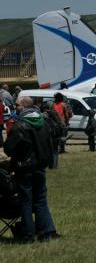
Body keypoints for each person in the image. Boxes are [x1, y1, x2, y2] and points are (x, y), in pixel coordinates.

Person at [4, 96, 59, 243]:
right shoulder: (43, 122)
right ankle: (47, 232)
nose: (15, 107)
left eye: (17, 105)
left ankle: (28, 235)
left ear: (24, 106)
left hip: (24, 168)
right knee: (40, 200)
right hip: (40, 166)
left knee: (26, 202)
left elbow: (9, 148)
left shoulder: (20, 125)